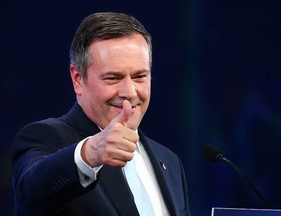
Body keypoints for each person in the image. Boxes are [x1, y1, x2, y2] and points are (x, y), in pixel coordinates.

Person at [12, 12, 191, 216]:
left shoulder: (170, 161)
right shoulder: (45, 137)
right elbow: (29, 191)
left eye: (140, 76)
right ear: (78, 79)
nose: (130, 93)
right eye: (113, 78)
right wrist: (90, 153)